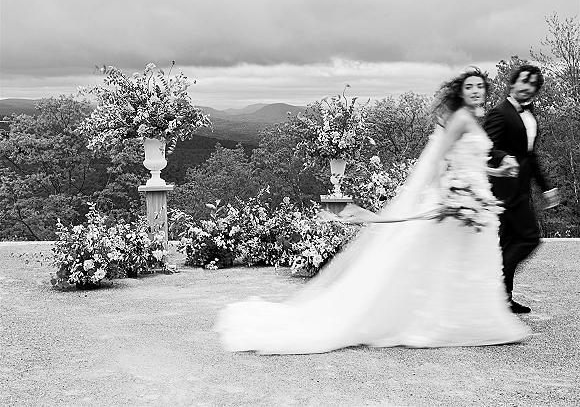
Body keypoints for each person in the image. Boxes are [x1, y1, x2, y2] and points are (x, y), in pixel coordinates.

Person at [215, 68, 531, 355]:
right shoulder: (462, 117)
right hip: (458, 198)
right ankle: (424, 320)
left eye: (480, 86)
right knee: (429, 259)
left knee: (461, 261)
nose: (475, 91)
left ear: (486, 90)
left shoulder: (478, 118)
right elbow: (439, 158)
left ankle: (469, 320)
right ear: (460, 92)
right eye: (469, 87)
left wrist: (497, 174)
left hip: (476, 199)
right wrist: (448, 193)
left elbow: (471, 162)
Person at [483, 65, 559, 314]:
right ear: (513, 83)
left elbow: (529, 155)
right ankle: (493, 285)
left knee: (508, 242)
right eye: (524, 81)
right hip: (503, 188)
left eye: (533, 84)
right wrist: (504, 157)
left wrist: (545, 188)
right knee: (528, 238)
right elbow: (486, 147)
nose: (528, 87)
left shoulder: (530, 113)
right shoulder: (499, 113)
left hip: (522, 187)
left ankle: (504, 298)